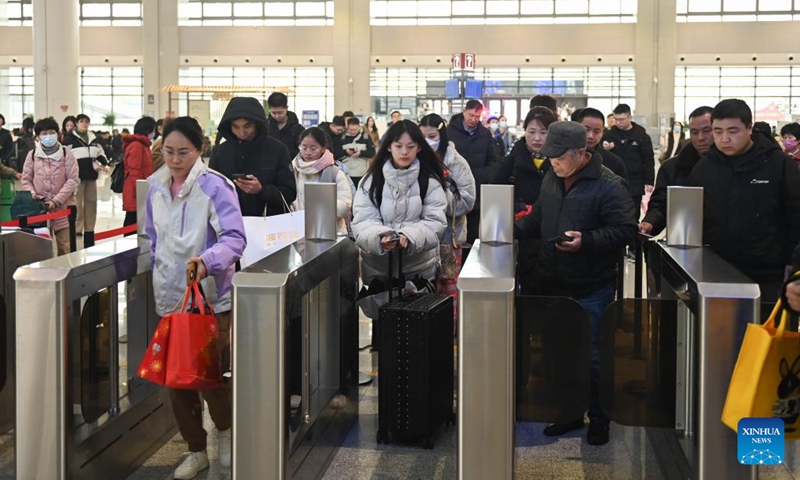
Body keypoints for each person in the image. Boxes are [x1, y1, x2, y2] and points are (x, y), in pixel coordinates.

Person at [515, 121, 636, 446]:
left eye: (559, 157)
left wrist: (587, 241)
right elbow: (541, 214)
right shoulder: (553, 177)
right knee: (559, 354)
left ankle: (599, 419)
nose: (553, 163)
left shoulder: (610, 185)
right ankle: (568, 413)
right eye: (549, 157)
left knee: (594, 357)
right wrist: (513, 229)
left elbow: (626, 230)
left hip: (590, 285)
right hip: (553, 282)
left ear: (582, 153)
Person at [144, 116, 245, 479]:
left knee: (208, 374)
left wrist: (207, 261)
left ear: (200, 150)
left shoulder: (214, 186)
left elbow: (234, 237)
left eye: (183, 152)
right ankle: (196, 449)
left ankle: (227, 432)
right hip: (171, 299)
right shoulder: (156, 186)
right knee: (176, 379)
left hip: (210, 299)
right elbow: (152, 238)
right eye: (168, 152)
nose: (174, 160)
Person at [688, 99, 800, 303]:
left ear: (749, 128)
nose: (724, 139)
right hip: (717, 274)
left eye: (733, 131)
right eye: (718, 131)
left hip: (769, 278)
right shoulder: (704, 169)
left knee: (770, 333)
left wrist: (793, 268)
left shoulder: (779, 165)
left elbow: (795, 217)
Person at [351, 120, 447, 284]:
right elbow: (363, 219)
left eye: (410, 147)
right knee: (378, 310)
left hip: (418, 271)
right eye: (398, 146)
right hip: (378, 271)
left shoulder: (429, 181)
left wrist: (410, 237)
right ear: (389, 146)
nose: (404, 152)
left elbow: (435, 221)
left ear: (419, 147)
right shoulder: (372, 180)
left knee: (416, 308)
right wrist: (379, 237)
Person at [492, 107, 555, 293]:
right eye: (532, 132)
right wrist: (517, 208)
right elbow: (496, 194)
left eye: (543, 133)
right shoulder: (512, 161)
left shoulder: (560, 161)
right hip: (522, 237)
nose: (537, 138)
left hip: (552, 238)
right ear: (524, 130)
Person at [419, 113, 476, 310]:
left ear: (441, 135)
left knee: (447, 290)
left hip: (447, 240)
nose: (428, 141)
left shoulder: (457, 163)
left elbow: (467, 201)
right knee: (422, 289)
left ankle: (447, 333)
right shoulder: (415, 160)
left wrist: (439, 195)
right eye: (423, 136)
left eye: (432, 136)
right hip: (421, 237)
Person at [209, 97, 297, 217]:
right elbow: (210, 191)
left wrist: (262, 190)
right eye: (235, 127)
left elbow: (289, 193)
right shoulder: (220, 152)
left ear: (257, 124)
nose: (241, 132)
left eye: (247, 126)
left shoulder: (277, 150)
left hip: (269, 224)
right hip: (230, 223)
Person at [640, 106, 713, 237]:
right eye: (694, 132)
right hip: (684, 241)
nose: (700, 137)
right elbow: (661, 204)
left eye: (707, 131)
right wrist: (650, 222)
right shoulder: (671, 168)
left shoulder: (730, 166)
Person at [20, 118, 79, 256]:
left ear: (58, 134)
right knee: (40, 250)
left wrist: (56, 201)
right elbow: (26, 179)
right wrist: (32, 193)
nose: (48, 136)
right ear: (38, 136)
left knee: (65, 249)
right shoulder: (32, 155)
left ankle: (65, 276)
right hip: (40, 210)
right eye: (44, 133)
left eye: (51, 132)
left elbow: (72, 180)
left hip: (63, 209)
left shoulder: (67, 154)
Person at [447, 99, 501, 245]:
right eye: (471, 115)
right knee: (453, 233)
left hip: (477, 188)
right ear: (464, 112)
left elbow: (493, 159)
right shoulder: (450, 131)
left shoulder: (484, 134)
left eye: (477, 117)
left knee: (473, 235)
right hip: (454, 188)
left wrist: (486, 174)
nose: (473, 119)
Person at [291, 127, 354, 234]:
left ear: (323, 149)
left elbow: (345, 204)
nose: (308, 153)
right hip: (298, 230)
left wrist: (321, 210)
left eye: (313, 149)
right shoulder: (293, 169)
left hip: (329, 231)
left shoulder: (334, 172)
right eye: (303, 148)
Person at [62, 114, 109, 244]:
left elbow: (100, 152)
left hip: (91, 176)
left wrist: (104, 162)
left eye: (87, 122)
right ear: (77, 123)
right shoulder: (69, 139)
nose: (84, 124)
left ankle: (89, 229)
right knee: (77, 203)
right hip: (77, 177)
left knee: (91, 202)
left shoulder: (93, 138)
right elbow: (64, 157)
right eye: (82, 121)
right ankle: (77, 228)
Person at [604, 104, 655, 219]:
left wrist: (649, 181)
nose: (618, 123)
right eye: (615, 119)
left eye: (621, 120)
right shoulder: (609, 135)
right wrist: (605, 149)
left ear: (630, 118)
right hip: (613, 180)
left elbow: (648, 159)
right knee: (613, 212)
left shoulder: (641, 136)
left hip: (635, 182)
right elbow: (600, 154)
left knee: (633, 213)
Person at [575, 108, 629, 184]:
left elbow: (623, 193)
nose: (591, 136)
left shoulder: (614, 163)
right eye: (586, 130)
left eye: (596, 131)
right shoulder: (563, 158)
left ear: (603, 132)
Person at [122, 116, 156, 229]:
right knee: (132, 218)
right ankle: (128, 244)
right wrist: (140, 189)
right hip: (135, 189)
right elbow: (134, 170)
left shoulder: (142, 144)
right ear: (148, 130)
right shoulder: (137, 145)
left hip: (139, 187)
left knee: (137, 218)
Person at [266, 91, 305, 159]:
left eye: (280, 112)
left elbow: (303, 150)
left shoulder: (298, 129)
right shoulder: (266, 127)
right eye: (273, 113)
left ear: (286, 108)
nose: (277, 116)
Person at [341, 117, 376, 187]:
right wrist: (346, 152)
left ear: (359, 127)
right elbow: (337, 153)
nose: (353, 131)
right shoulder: (343, 138)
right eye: (351, 130)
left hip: (361, 173)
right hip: (347, 173)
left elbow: (372, 153)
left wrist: (361, 153)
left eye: (355, 130)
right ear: (347, 127)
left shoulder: (366, 137)